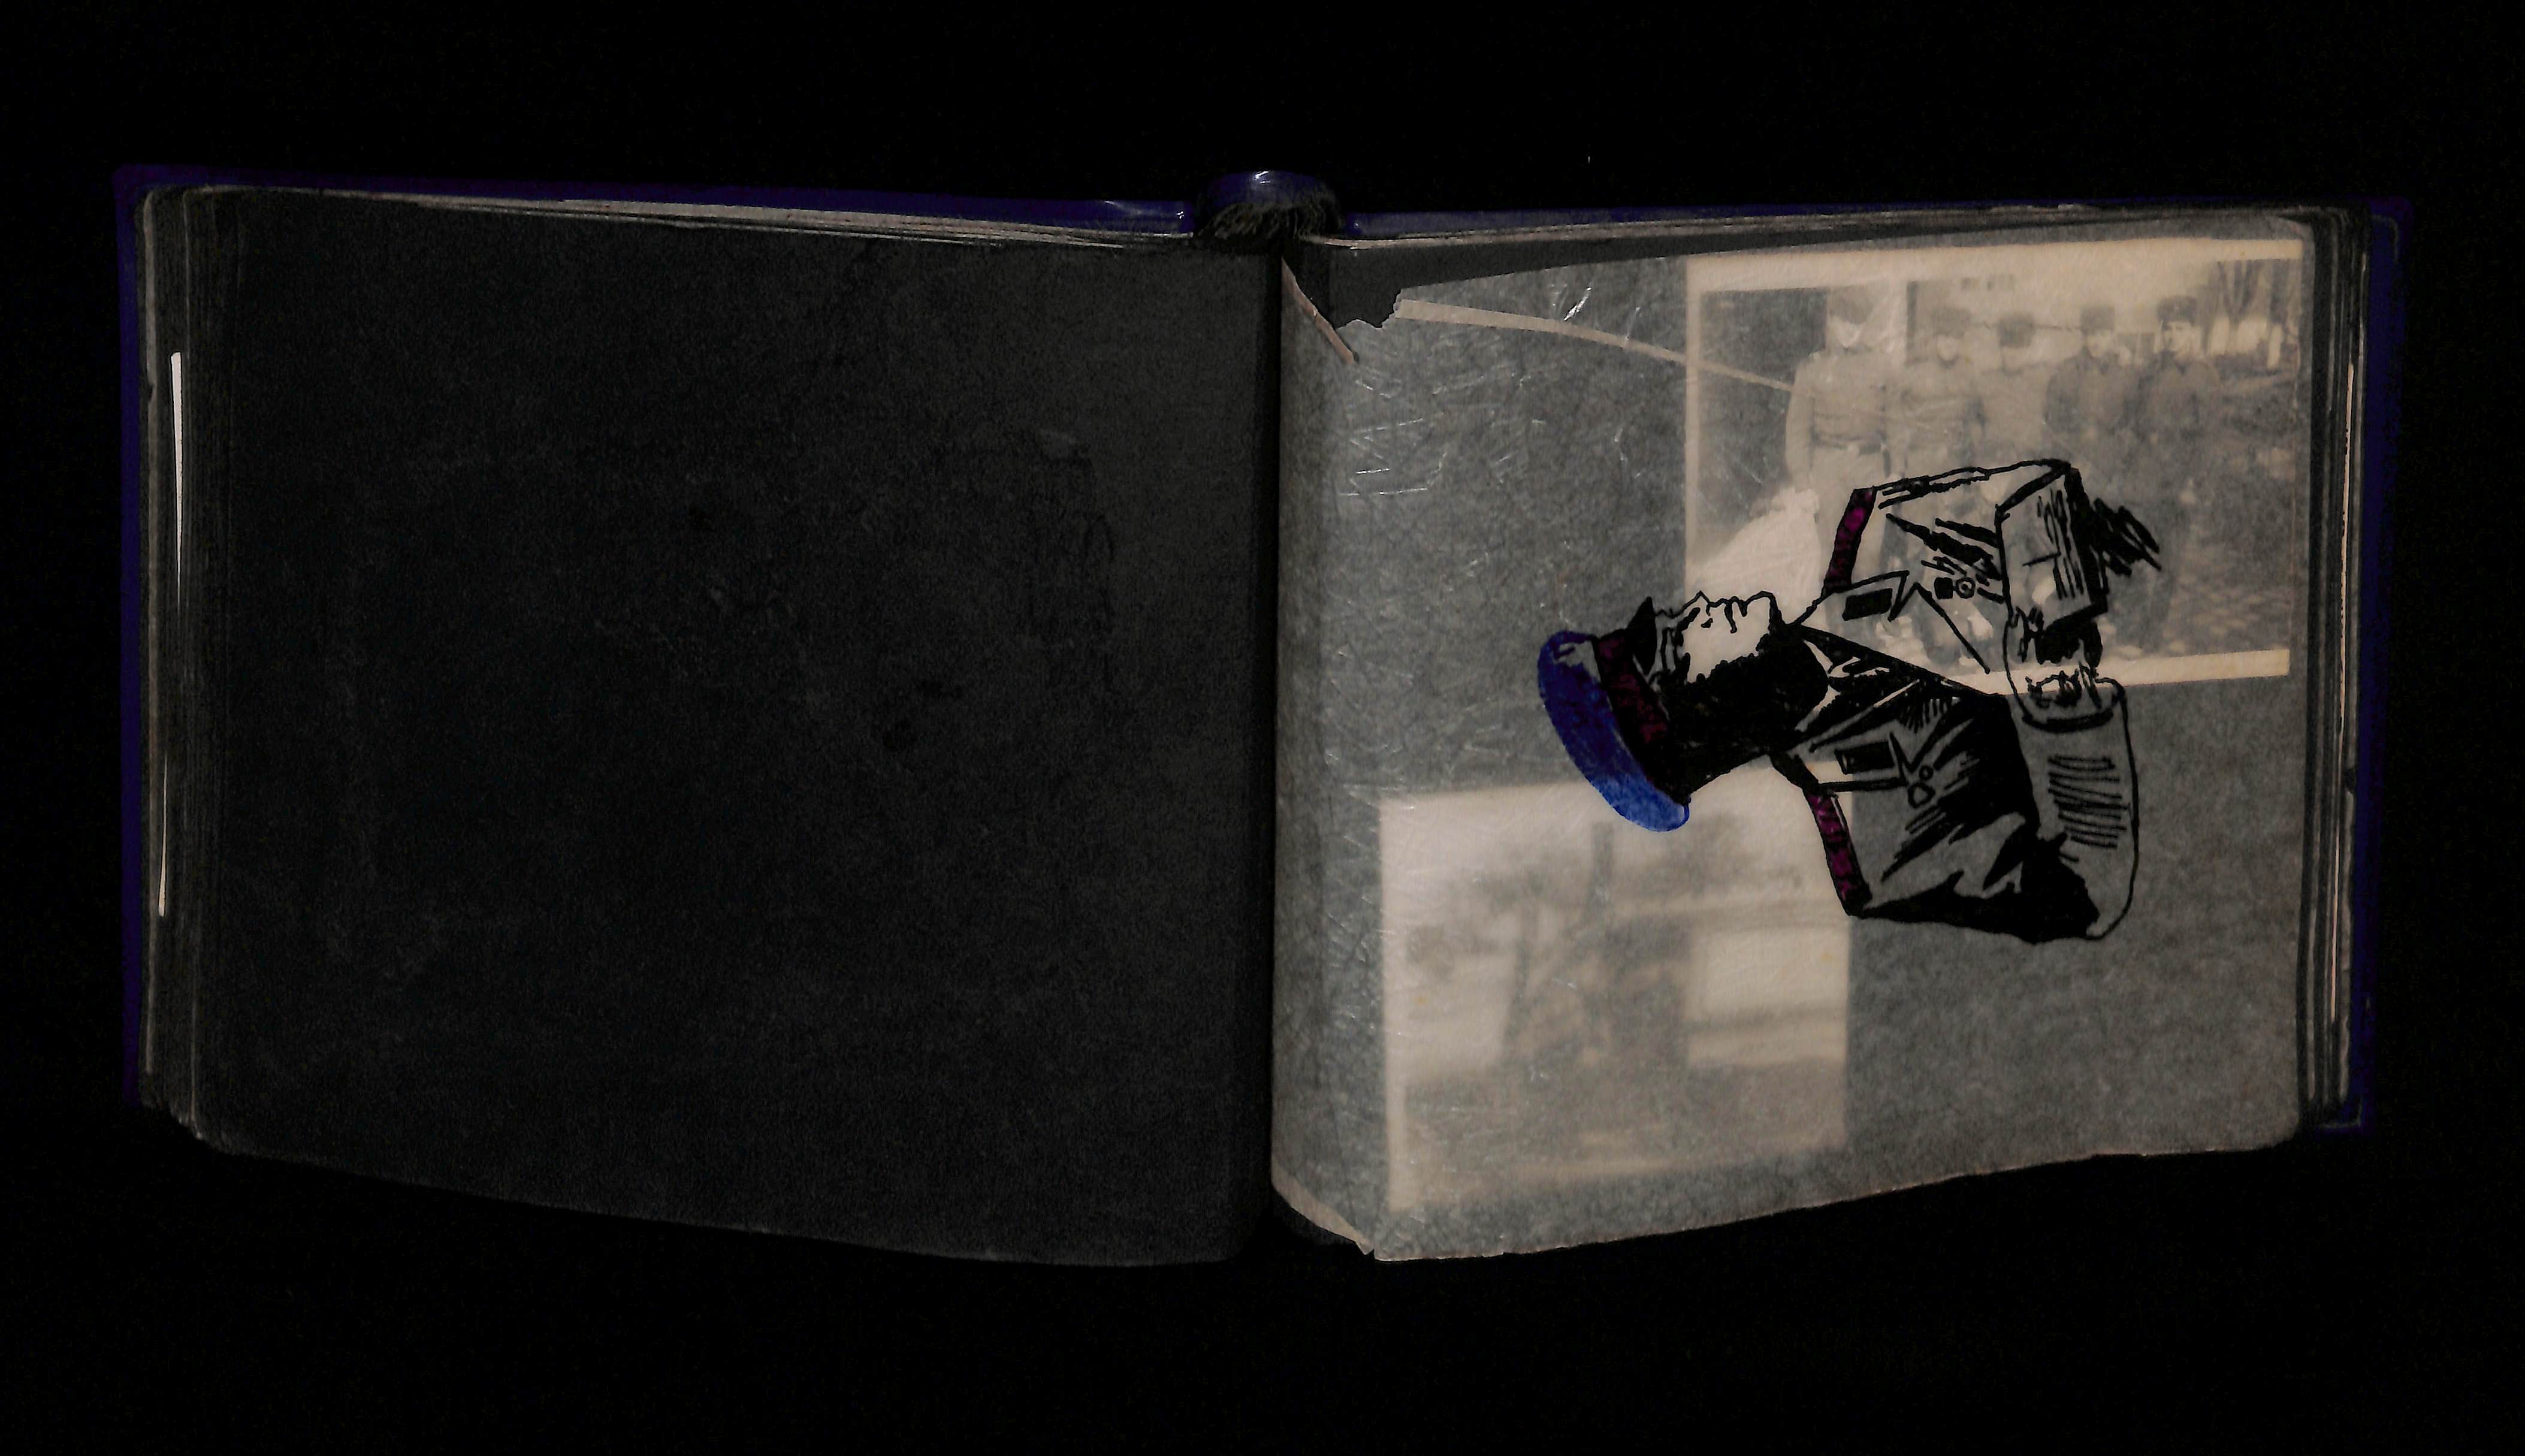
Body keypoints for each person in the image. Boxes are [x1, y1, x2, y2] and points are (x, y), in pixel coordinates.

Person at [1540, 461, 2151, 944]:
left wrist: (2054, 588)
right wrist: (2060, 700)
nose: (1697, 609)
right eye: (1680, 643)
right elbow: (2086, 898)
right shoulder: (1881, 859)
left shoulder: (1870, 530)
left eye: (1674, 617)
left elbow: (2039, 488)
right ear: (1701, 721)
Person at [2125, 295, 2222, 654]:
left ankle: (2155, 628)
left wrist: (2195, 484)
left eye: (2181, 329)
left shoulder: (2203, 375)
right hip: (2147, 477)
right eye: (2168, 329)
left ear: (2192, 331)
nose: (2173, 336)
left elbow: (2209, 439)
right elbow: (2137, 421)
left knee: (2171, 560)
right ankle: (2140, 621)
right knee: (2138, 554)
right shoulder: (2151, 370)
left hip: (2180, 482)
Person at [1783, 286, 1893, 572]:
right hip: (1828, 469)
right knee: (1832, 556)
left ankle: (1864, 604)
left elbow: (1896, 422)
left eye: (1856, 322)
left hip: (1869, 466)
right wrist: (1803, 484)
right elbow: (1797, 429)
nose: (1849, 330)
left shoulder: (1881, 366)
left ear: (1865, 325)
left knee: (1868, 553)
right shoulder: (1813, 369)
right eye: (1843, 321)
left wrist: (1897, 471)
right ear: (1832, 321)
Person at [2043, 304, 2137, 485]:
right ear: (2084, 336)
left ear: (2113, 336)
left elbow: (2132, 420)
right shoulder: (2067, 372)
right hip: (2074, 457)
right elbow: (2053, 421)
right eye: (2092, 335)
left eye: (2103, 335)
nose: (2096, 342)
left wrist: (2116, 453)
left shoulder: (2125, 372)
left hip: (2111, 463)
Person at [1893, 303, 1982, 476]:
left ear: (1961, 341)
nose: (1949, 343)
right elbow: (1897, 420)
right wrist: (1898, 468)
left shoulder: (1968, 373)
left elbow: (1973, 424)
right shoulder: (1915, 371)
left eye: (1955, 337)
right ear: (1935, 338)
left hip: (1955, 463)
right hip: (1920, 461)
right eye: (1944, 336)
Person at [1975, 312, 2052, 467]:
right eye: (2008, 347)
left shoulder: (2042, 383)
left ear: (2028, 349)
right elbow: (1976, 426)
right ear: (2001, 349)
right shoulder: (1986, 383)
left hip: (2031, 464)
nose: (2013, 354)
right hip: (1995, 464)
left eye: (2019, 348)